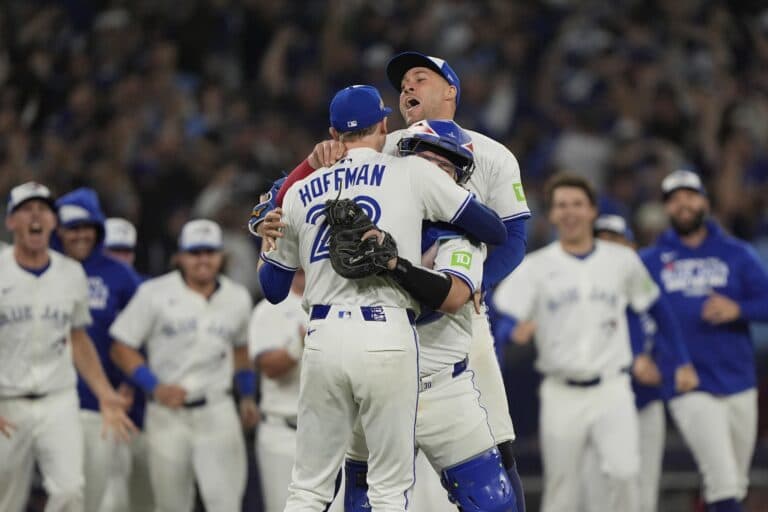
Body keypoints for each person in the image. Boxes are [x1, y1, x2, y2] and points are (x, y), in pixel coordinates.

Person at [252, 52, 530, 504]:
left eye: (420, 78)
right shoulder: (390, 149)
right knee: (376, 490)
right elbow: (284, 199)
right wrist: (292, 186)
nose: (407, 89)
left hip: (440, 338)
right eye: (401, 85)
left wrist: (481, 281)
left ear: (450, 90)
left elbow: (511, 235)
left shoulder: (490, 154)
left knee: (496, 454)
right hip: (382, 333)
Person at [492, 173, 697, 512]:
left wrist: (682, 361)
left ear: (591, 211)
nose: (569, 212)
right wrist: (511, 332)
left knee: (625, 474)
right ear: (552, 214)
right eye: (561, 205)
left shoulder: (621, 261)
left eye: (577, 204)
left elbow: (658, 310)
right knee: (563, 489)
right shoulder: (536, 267)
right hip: (561, 390)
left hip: (612, 388)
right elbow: (502, 318)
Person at [342, 119, 518, 511]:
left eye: (445, 167)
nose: (431, 174)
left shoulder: (463, 236)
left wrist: (394, 266)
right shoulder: (362, 219)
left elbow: (451, 298)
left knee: (492, 502)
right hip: (374, 389)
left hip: (441, 388)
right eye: (424, 161)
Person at [0, 181, 135, 512]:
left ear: (53, 223)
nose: (36, 216)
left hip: (58, 398)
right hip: (8, 399)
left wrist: (105, 393)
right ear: (11, 222)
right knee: (7, 499)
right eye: (26, 209)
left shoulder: (71, 273)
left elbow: (78, 337)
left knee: (70, 491)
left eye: (43, 209)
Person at [640, 170, 768, 512]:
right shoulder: (650, 261)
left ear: (705, 202)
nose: (683, 203)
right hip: (687, 381)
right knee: (723, 481)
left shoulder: (736, 253)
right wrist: (642, 354)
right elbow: (630, 314)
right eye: (674, 198)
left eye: (690, 195)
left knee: (733, 484)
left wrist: (737, 308)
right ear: (667, 208)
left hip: (739, 380)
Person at [110, 219, 258, 512]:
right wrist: (155, 386)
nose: (203, 259)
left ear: (221, 256)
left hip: (217, 409)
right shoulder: (154, 292)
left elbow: (241, 348)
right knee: (171, 505)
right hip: (167, 414)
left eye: (209, 252)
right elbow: (121, 345)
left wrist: (248, 396)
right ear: (179, 257)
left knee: (226, 503)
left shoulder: (237, 297)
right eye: (195, 252)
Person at [590, 214, 692, 512]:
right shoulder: (583, 291)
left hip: (646, 401)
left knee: (644, 492)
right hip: (600, 402)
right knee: (599, 491)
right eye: (602, 241)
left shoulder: (646, 292)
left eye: (616, 242)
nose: (609, 249)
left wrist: (664, 365)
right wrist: (632, 360)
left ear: (632, 249)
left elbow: (666, 334)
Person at [52, 188, 144, 512]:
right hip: (48, 401)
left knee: (100, 497)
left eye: (87, 227)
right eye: (72, 228)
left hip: (101, 404)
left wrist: (128, 387)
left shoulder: (120, 275)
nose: (80, 235)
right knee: (64, 493)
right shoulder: (44, 269)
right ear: (58, 230)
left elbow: (139, 338)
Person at [249, 270, 305, 512]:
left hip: (333, 431)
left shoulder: (340, 302)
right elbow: (269, 367)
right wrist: (298, 344)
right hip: (283, 432)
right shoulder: (269, 309)